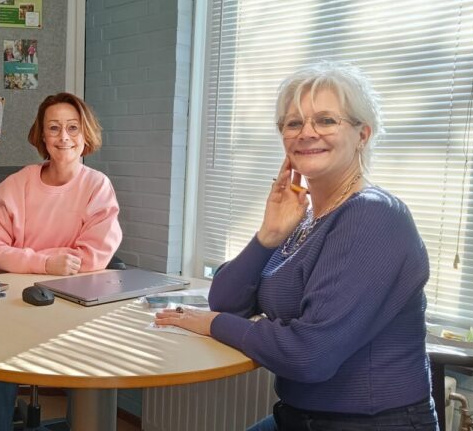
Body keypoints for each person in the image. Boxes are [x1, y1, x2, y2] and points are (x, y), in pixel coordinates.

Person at [155, 62, 438, 431]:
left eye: (326, 120)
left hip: (370, 423)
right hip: (298, 417)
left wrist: (214, 324)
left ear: (363, 134)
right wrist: (267, 236)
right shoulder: (304, 220)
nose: (307, 133)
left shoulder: (372, 216)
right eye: (293, 123)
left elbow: (309, 355)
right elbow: (226, 300)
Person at [0, 92, 122, 430]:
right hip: (13, 303)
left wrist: (24, 257)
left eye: (73, 127)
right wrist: (46, 263)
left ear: (85, 133)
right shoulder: (15, 186)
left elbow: (93, 257)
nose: (64, 137)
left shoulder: (97, 186)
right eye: (54, 128)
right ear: (41, 135)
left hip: (73, 304)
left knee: (99, 353)